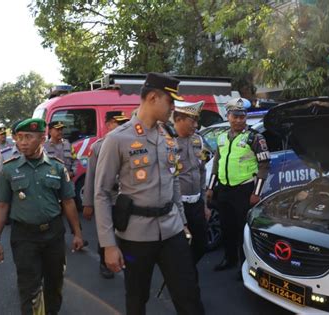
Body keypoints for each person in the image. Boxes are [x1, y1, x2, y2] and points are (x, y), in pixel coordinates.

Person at [94, 72, 205, 315]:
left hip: (172, 229)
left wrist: (183, 222)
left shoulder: (167, 137)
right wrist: (108, 245)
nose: (174, 109)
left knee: (189, 296)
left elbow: (173, 180)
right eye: (171, 102)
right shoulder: (117, 139)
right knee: (136, 298)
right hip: (135, 236)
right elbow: (101, 193)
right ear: (153, 97)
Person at [0, 118, 84, 315]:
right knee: (29, 288)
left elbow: (68, 202)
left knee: (54, 284)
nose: (22, 142)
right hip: (24, 237)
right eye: (19, 137)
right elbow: (1, 205)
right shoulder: (9, 168)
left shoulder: (57, 167)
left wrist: (77, 233)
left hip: (54, 235)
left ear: (42, 138)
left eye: (28, 137)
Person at [206, 98, 270, 275]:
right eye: (235, 116)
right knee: (227, 227)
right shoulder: (221, 138)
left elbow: (264, 166)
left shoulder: (255, 137)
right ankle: (229, 259)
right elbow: (216, 165)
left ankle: (244, 265)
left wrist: (256, 192)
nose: (239, 120)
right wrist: (210, 188)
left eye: (242, 116)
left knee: (243, 229)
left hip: (244, 190)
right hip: (225, 189)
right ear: (228, 116)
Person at [83, 111, 129, 279]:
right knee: (107, 231)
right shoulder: (98, 147)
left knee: (125, 232)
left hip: (125, 199)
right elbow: (90, 177)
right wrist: (88, 203)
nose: (123, 126)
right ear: (108, 124)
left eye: (125, 122)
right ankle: (104, 262)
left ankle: (124, 259)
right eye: (119, 123)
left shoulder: (131, 143)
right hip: (108, 199)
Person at [173, 100, 211, 266]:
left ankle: (187, 270)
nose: (196, 125)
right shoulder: (167, 142)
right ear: (179, 119)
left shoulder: (198, 141)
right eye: (192, 121)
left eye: (197, 120)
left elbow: (202, 172)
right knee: (180, 247)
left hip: (197, 204)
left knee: (201, 245)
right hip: (177, 206)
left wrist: (204, 203)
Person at [0, 121, 23, 189]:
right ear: (13, 137)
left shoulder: (39, 152)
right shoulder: (4, 153)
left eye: (28, 135)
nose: (24, 138)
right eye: (20, 135)